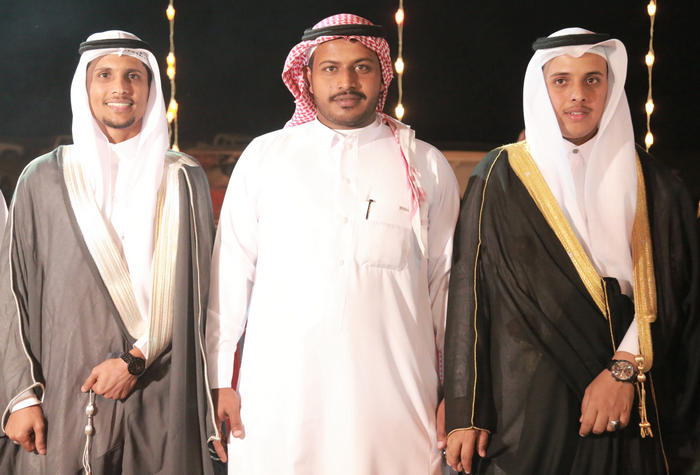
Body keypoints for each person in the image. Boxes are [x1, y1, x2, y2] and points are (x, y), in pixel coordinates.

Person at [206, 13, 460, 475]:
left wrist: (457, 392)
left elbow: (446, 286)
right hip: (281, 399)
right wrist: (220, 378)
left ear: (382, 75)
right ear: (306, 77)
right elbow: (230, 274)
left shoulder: (425, 164)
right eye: (331, 68)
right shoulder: (265, 157)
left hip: (397, 403)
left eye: (362, 67)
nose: (347, 82)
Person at [444, 28, 700, 475]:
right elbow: (471, 294)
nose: (578, 94)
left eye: (592, 80)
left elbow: (676, 291)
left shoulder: (657, 184)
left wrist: (623, 370)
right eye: (561, 80)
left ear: (610, 87)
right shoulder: (500, 174)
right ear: (540, 89)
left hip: (626, 394)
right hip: (525, 402)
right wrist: (465, 412)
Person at [0, 31, 218, 474]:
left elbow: (203, 292)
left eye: (133, 76)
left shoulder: (183, 176)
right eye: (105, 75)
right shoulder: (43, 177)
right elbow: (11, 292)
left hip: (161, 382)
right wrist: (21, 396)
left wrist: (136, 360)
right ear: (84, 86)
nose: (120, 87)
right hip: (65, 386)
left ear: (150, 89)